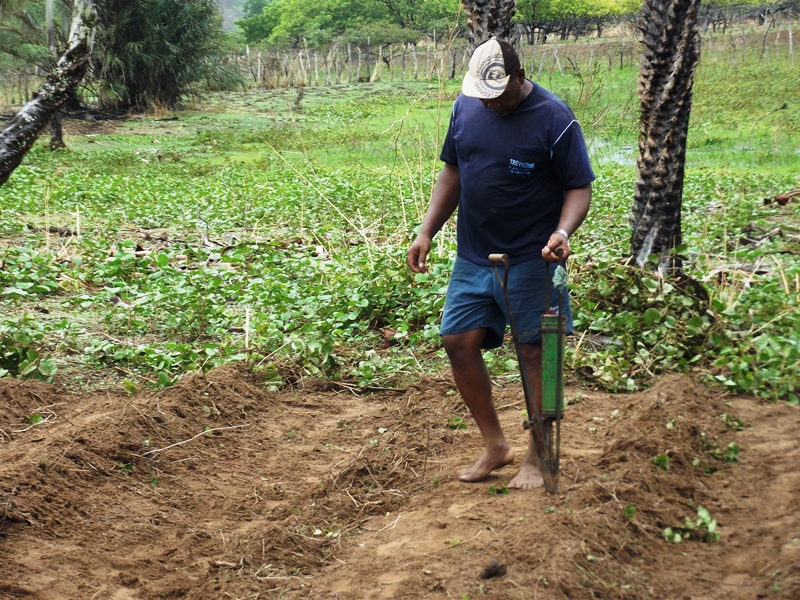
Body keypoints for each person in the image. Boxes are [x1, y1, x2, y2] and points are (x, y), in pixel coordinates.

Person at [407, 38, 595, 489]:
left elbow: (579, 187)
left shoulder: (554, 118)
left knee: (536, 351)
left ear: (519, 77)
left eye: (500, 95)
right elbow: (452, 172)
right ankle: (496, 445)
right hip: (473, 255)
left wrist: (563, 233)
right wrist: (427, 230)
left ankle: (541, 453)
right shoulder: (467, 107)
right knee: (457, 340)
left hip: (534, 258)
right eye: (484, 97)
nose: (492, 104)